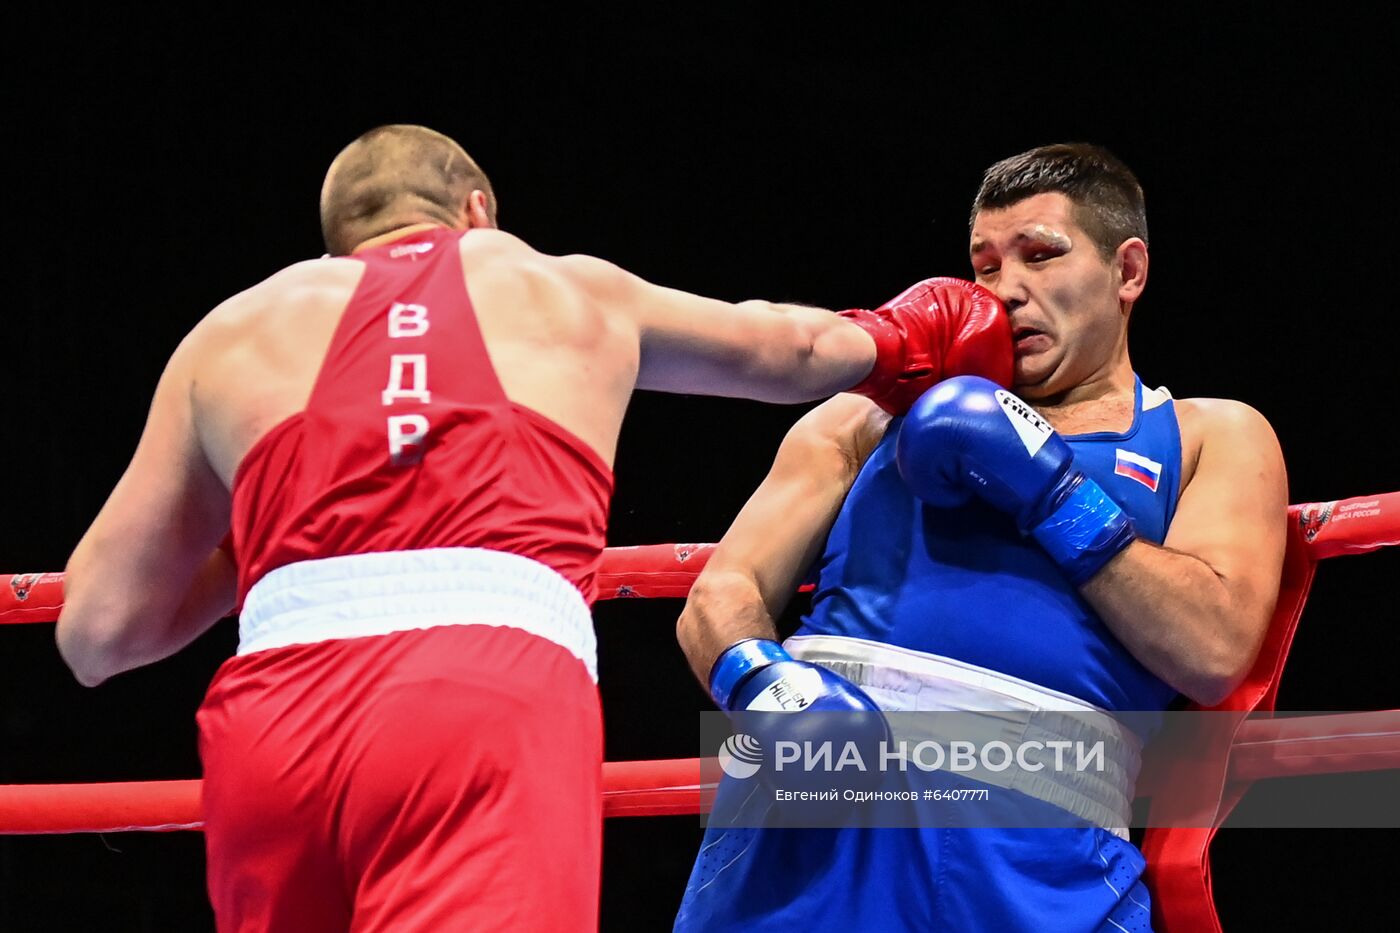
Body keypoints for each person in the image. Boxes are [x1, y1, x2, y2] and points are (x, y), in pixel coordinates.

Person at [53, 124, 1013, 932]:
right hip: (484, 702)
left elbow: (96, 633)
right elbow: (795, 348)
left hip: (276, 719)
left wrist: (267, 530)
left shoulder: (231, 332)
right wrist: (902, 341)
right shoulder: (559, 286)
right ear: (479, 211)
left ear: (337, 237)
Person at [674, 143, 1288, 932]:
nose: (1007, 292)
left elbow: (1213, 648)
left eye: (1041, 255)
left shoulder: (1208, 433)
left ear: (1127, 271)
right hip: (817, 798)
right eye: (986, 265)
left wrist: (1051, 491)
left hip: (1040, 851)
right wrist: (770, 689)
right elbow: (720, 594)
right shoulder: (863, 419)